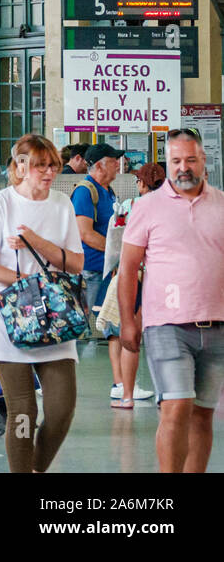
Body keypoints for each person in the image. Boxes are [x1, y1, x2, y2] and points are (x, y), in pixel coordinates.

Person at [0, 134, 83, 473]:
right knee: (22, 413)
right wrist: (28, 285)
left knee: (61, 410)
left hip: (55, 323)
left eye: (53, 165)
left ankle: (37, 467)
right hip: (10, 323)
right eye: (41, 166)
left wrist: (34, 241)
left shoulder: (63, 204)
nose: (49, 172)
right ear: (21, 167)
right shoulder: (0, 203)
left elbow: (76, 263)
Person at [119, 129, 224, 473]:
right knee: (176, 406)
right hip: (166, 325)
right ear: (168, 163)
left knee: (203, 413)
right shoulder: (147, 207)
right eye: (176, 161)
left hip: (218, 324)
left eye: (190, 160)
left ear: (203, 161)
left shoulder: (221, 204)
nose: (183, 167)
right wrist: (128, 320)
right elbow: (128, 268)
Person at [71, 142, 150, 407]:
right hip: (94, 269)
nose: (119, 164)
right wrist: (122, 252)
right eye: (114, 160)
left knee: (115, 324)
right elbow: (85, 233)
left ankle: (122, 384)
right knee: (113, 326)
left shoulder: (108, 191)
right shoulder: (85, 192)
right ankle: (121, 384)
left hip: (109, 268)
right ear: (99, 164)